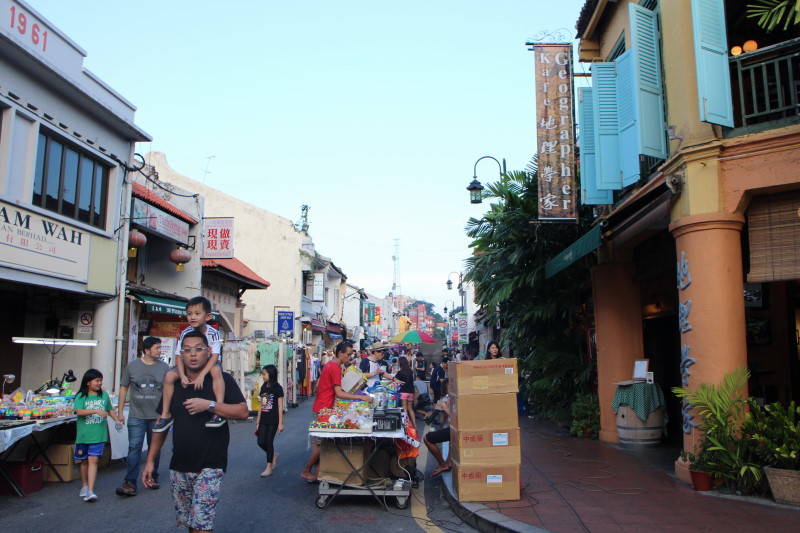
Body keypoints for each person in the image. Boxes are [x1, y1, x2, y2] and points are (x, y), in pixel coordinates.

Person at [142, 330, 248, 533]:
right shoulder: (173, 384)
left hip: (210, 464)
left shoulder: (221, 379)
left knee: (201, 526)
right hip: (179, 465)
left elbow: (242, 411)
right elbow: (162, 423)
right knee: (190, 525)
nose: (193, 354)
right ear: (181, 354)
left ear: (208, 352)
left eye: (198, 349)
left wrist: (209, 405)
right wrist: (150, 461)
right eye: (187, 350)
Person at [301, 340, 370, 483]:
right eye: (348, 354)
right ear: (340, 353)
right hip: (323, 409)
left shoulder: (331, 366)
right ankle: (306, 470)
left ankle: (318, 473)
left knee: (322, 443)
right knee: (321, 444)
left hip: (323, 406)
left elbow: (324, 386)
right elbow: (339, 392)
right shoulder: (334, 368)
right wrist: (359, 397)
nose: (350, 357)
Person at [154, 296, 226, 432]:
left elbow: (215, 356)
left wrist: (202, 375)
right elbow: (178, 355)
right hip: (188, 366)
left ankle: (219, 411)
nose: (193, 317)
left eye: (197, 314)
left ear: (208, 316)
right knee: (169, 376)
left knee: (216, 371)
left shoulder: (214, 333)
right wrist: (181, 375)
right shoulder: (185, 332)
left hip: (210, 364)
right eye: (189, 314)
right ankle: (165, 414)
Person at [116, 336, 169, 496]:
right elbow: (124, 388)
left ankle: (153, 476)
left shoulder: (164, 367)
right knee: (134, 448)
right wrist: (119, 412)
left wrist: (165, 413)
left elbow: (168, 391)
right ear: (146, 350)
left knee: (155, 448)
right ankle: (130, 482)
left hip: (157, 416)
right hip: (136, 415)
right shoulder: (132, 366)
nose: (160, 350)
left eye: (160, 347)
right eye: (157, 348)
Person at [73, 368, 123, 502]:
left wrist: (117, 420)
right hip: (83, 435)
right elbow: (78, 411)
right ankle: (84, 485)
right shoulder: (80, 396)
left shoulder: (104, 395)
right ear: (88, 382)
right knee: (83, 461)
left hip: (99, 435)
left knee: (94, 460)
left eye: (100, 380)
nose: (99, 383)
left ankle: (91, 490)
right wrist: (95, 410)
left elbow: (109, 409)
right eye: (97, 381)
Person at [256, 364, 284, 477]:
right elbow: (261, 406)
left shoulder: (278, 388)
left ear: (271, 374)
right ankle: (273, 456)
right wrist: (257, 422)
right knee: (260, 441)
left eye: (264, 374)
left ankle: (269, 467)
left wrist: (280, 423)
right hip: (263, 419)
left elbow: (280, 406)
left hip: (273, 419)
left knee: (268, 441)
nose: (262, 376)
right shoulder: (263, 387)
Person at [423, 387, 451, 477]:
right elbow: (436, 411)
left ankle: (443, 464)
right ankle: (446, 463)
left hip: (455, 428)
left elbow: (455, 416)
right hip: (450, 427)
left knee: (427, 438)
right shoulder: (447, 397)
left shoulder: (453, 398)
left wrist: (445, 407)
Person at [395, 357, 415, 423]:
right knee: (410, 409)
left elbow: (394, 380)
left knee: (404, 409)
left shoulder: (400, 373)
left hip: (403, 392)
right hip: (411, 392)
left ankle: (407, 424)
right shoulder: (410, 371)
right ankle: (415, 425)